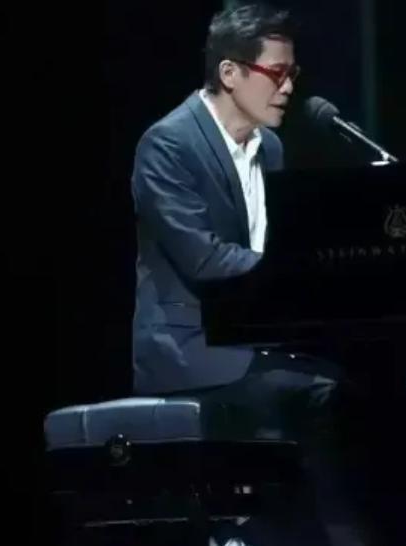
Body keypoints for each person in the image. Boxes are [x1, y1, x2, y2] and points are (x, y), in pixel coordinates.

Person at [130, 3, 374, 545]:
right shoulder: (167, 144)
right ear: (230, 73)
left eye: (293, 74)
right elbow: (205, 259)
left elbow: (269, 253)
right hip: (188, 350)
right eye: (276, 73)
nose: (288, 88)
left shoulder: (272, 148)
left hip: (255, 342)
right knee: (319, 395)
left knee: (363, 386)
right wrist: (301, 269)